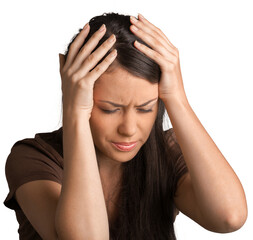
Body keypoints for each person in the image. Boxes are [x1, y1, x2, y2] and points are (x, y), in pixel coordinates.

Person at [3, 12, 247, 240]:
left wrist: (177, 98)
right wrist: (74, 112)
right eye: (110, 109)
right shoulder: (32, 157)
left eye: (145, 108)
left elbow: (229, 217)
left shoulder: (168, 152)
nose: (129, 129)